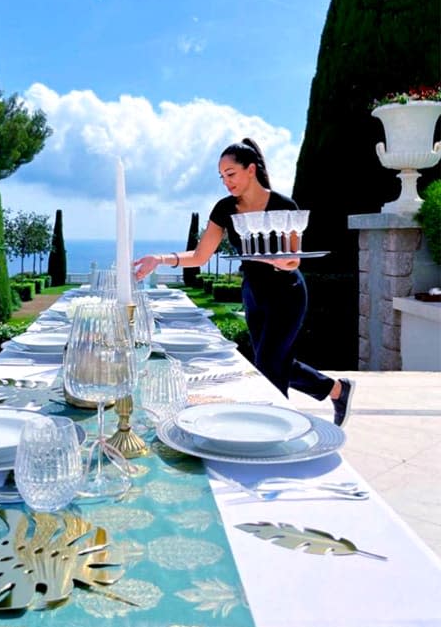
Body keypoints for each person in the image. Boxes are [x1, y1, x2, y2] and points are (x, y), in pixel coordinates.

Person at [134, 138, 356, 427]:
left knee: (267, 366)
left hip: (286, 294)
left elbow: (294, 259)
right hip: (253, 293)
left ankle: (273, 429)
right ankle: (336, 390)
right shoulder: (225, 209)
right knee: (274, 361)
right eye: (222, 176)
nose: (227, 182)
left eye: (231, 174)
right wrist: (160, 259)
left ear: (250, 170)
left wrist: (282, 262)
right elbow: (201, 256)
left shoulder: (283, 205)